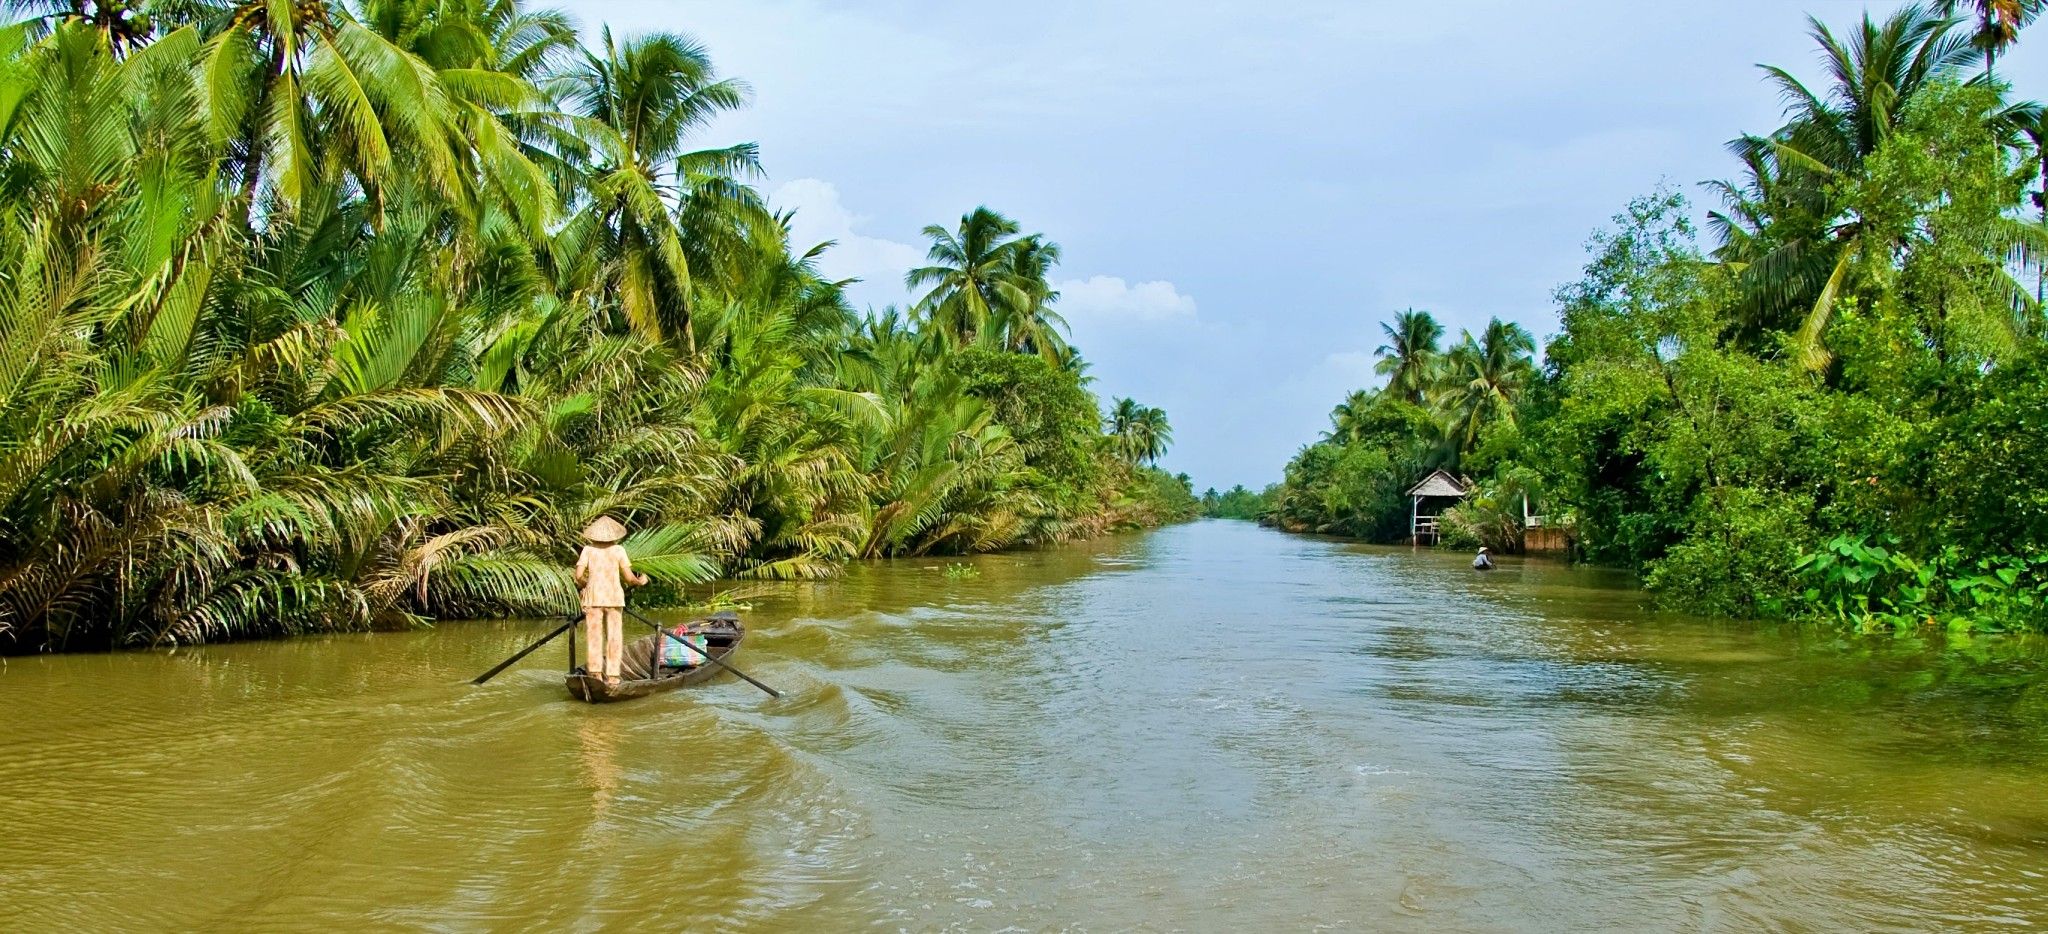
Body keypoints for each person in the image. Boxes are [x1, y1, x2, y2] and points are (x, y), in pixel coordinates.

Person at [574, 516, 648, 685]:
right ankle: (613, 677)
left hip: (593, 598)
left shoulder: (587, 550)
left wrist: (588, 583)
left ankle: (595, 675)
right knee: (614, 636)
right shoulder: (618, 550)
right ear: (614, 536)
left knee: (594, 636)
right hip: (614, 597)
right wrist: (640, 581)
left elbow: (578, 576)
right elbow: (629, 578)